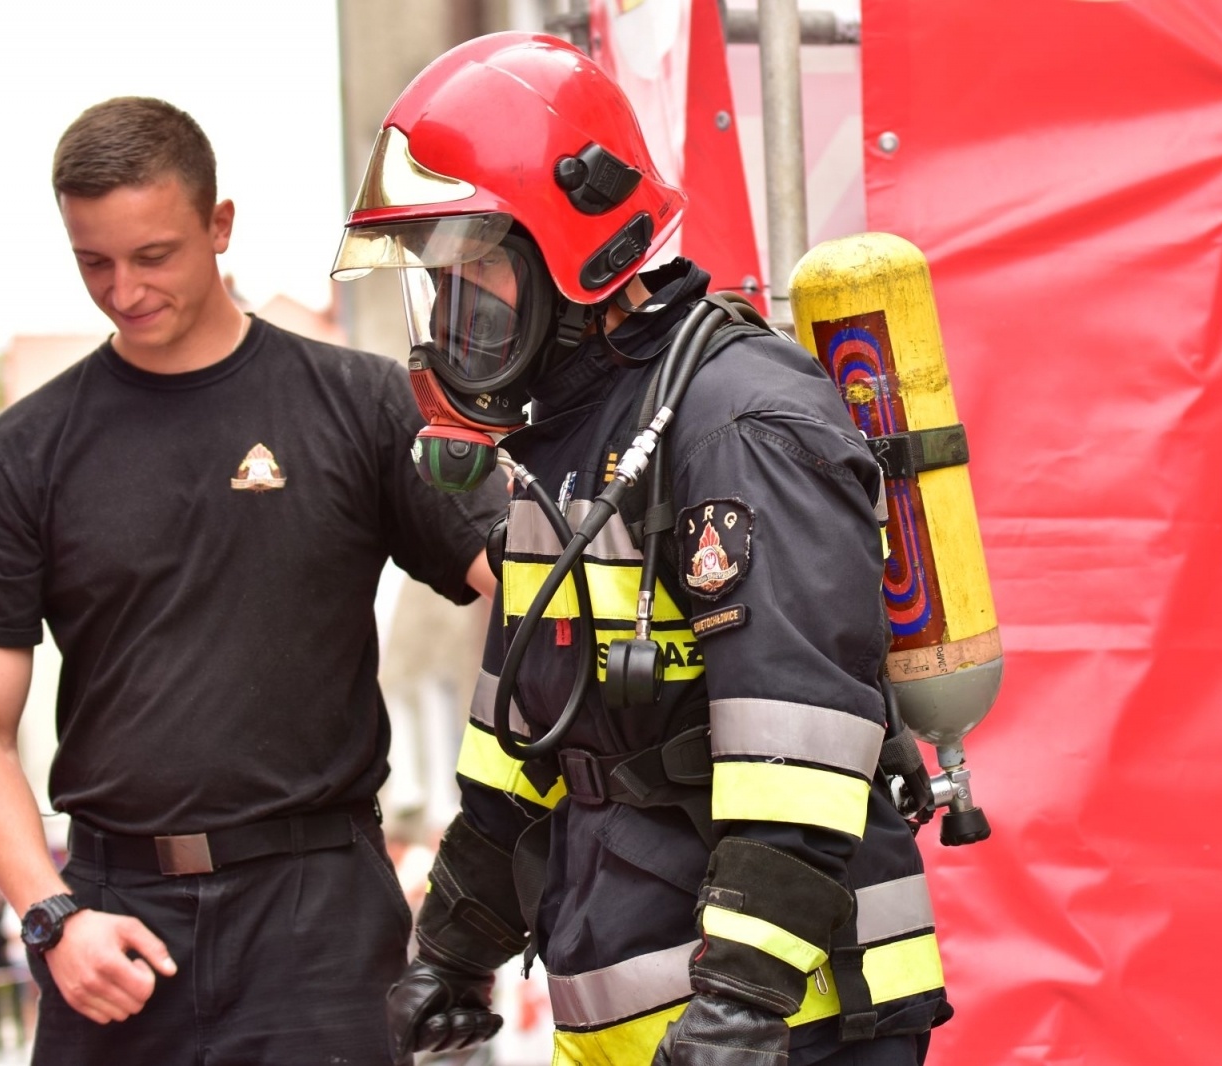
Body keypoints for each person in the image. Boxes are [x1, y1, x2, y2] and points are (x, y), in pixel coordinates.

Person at [331, 33, 951, 1066]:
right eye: (441, 281)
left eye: (475, 268)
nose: (452, 317)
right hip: (637, 1017)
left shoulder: (734, 423)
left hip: (796, 1026)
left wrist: (741, 1009)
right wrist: (451, 948)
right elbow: (518, 745)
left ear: (576, 247)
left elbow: (798, 746)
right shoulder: (559, 448)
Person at [0, 96, 507, 1066]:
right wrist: (50, 916)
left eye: (153, 254)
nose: (123, 289)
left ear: (220, 224)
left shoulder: (360, 404)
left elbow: (532, 589)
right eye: (94, 261)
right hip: (114, 917)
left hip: (319, 913)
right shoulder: (26, 449)